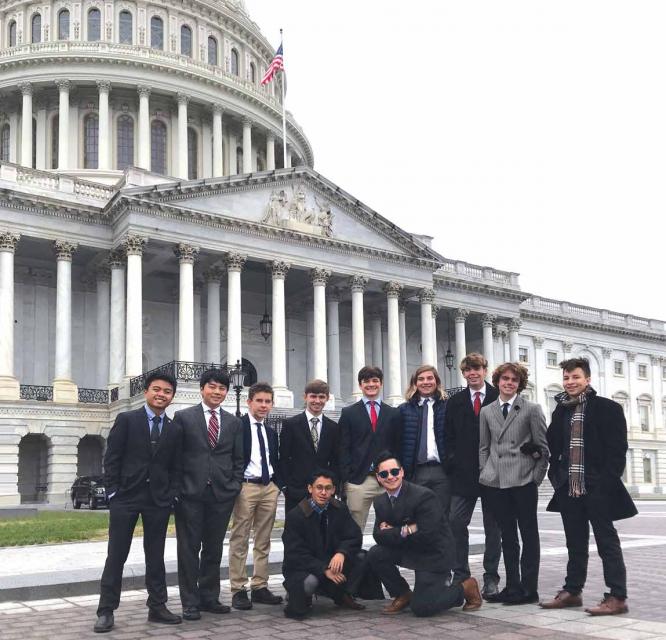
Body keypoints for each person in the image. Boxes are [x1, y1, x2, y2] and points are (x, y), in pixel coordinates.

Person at [540, 357, 637, 616]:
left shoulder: (608, 408)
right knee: (575, 542)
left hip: (597, 488)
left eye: (575, 377)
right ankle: (572, 591)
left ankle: (617, 596)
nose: (570, 382)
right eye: (567, 378)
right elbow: (554, 445)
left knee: (607, 543)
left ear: (588, 379)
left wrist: (606, 483)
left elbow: (618, 452)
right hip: (568, 488)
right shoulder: (561, 409)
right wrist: (555, 474)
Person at [94, 373, 182, 633]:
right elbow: (112, 458)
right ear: (146, 392)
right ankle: (106, 610)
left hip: (158, 500)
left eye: (167, 391)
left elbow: (176, 467)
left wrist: (172, 495)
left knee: (155, 555)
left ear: (172, 397)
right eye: (157, 389)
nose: (161, 395)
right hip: (126, 498)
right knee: (116, 555)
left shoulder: (175, 428)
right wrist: (112, 492)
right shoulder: (127, 420)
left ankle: (157, 606)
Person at [366, 452, 482, 617]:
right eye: (384, 474)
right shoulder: (380, 502)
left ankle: (465, 588)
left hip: (433, 554)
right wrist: (409, 528)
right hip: (409, 548)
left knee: (422, 608)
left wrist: (395, 530)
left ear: (402, 472)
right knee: (376, 553)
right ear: (378, 477)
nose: (390, 477)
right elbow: (378, 535)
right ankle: (402, 593)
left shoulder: (423, 496)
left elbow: (428, 534)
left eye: (394, 471)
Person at [173, 369, 244, 621]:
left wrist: (234, 485)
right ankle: (190, 601)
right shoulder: (183, 418)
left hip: (221, 494)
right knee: (189, 549)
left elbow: (238, 459)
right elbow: (175, 457)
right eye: (212, 386)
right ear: (202, 389)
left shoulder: (234, 422)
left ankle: (209, 597)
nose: (217, 392)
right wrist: (178, 489)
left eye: (222, 388)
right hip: (190, 494)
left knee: (213, 549)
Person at [479, 362, 548, 605]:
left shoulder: (531, 409)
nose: (509, 383)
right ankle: (512, 586)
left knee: (529, 535)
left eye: (514, 380)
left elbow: (543, 448)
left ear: (520, 384)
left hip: (523, 480)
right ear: (497, 381)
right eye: (505, 379)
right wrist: (485, 473)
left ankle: (529, 589)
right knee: (507, 536)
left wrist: (535, 479)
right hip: (496, 482)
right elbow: (484, 447)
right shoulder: (487, 411)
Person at [444, 353, 502, 598]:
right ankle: (461, 574)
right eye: (468, 370)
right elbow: (447, 436)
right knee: (456, 523)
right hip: (463, 475)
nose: (472, 374)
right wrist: (453, 463)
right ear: (464, 373)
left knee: (494, 528)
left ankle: (491, 577)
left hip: (493, 474)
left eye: (476, 369)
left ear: (485, 370)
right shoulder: (455, 401)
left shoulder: (497, 397)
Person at [228, 382, 285, 610]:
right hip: (246, 487)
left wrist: (277, 484)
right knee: (240, 538)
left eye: (267, 401)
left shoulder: (270, 431)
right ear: (249, 401)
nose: (263, 405)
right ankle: (238, 588)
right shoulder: (237, 426)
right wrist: (237, 484)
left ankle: (260, 585)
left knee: (264, 539)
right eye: (259, 401)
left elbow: (274, 459)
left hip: (268, 487)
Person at [282, 469, 366, 619]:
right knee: (309, 583)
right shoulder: (296, 515)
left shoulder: (339, 508)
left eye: (328, 488)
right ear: (310, 489)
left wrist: (342, 552)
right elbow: (295, 554)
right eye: (319, 487)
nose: (323, 492)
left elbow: (354, 536)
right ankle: (301, 596)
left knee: (361, 557)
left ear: (333, 490)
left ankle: (342, 594)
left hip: (331, 560)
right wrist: (324, 569)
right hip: (304, 568)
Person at [338, 366, 400, 530]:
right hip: (359, 480)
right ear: (360, 385)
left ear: (381, 384)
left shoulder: (393, 414)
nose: (371, 384)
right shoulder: (348, 413)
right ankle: (353, 556)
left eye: (375, 381)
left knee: (390, 526)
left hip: (388, 479)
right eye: (366, 381)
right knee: (353, 529)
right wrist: (347, 476)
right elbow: (343, 447)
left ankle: (386, 557)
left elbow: (397, 445)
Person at [397, 365, 451, 517]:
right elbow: (398, 441)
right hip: (415, 471)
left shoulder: (448, 406)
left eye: (430, 378)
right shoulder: (404, 410)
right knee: (416, 516)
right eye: (421, 379)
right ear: (414, 383)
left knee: (442, 517)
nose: (425, 382)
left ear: (437, 381)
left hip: (442, 471)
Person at [279, 379, 340, 513]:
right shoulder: (291, 425)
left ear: (327, 398)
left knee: (322, 531)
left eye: (321, 397)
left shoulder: (333, 428)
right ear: (305, 396)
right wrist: (286, 486)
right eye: (313, 396)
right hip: (296, 491)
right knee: (295, 531)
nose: (317, 401)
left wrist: (332, 486)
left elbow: (336, 460)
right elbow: (284, 457)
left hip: (323, 492)